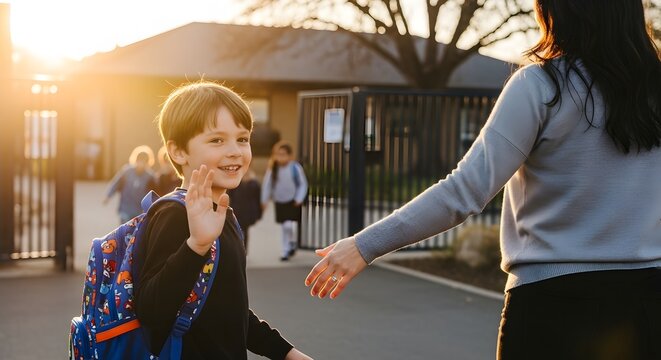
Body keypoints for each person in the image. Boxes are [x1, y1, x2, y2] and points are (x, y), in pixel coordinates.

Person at [305, 1, 661, 359]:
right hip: (650, 305)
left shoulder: (542, 86)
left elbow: (465, 191)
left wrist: (365, 245)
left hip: (554, 309)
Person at [134, 81, 312, 360]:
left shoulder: (224, 213)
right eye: (217, 140)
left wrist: (286, 352)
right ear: (179, 151)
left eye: (242, 138)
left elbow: (230, 309)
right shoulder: (174, 214)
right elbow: (151, 310)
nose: (235, 151)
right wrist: (196, 246)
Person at [261, 141, 308, 261]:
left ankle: (291, 243)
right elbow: (268, 185)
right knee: (284, 226)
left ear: (289, 155)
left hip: (292, 201)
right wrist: (264, 200)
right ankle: (285, 250)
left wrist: (299, 198)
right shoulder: (273, 169)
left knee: (289, 225)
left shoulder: (295, 167)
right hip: (280, 201)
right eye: (279, 154)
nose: (281, 157)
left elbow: (302, 184)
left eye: (284, 154)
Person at [103, 144, 157, 223]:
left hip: (139, 211)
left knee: (136, 232)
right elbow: (116, 183)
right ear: (135, 160)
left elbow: (153, 194)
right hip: (126, 208)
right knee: (125, 230)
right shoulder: (126, 171)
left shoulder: (150, 176)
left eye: (144, 161)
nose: (141, 164)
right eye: (139, 160)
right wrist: (108, 196)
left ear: (147, 162)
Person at [227, 169, 262, 252]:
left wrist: (259, 212)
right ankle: (241, 249)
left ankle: (243, 249)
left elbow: (257, 198)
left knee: (244, 230)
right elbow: (230, 196)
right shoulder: (235, 181)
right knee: (239, 230)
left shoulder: (253, 182)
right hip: (237, 209)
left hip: (248, 211)